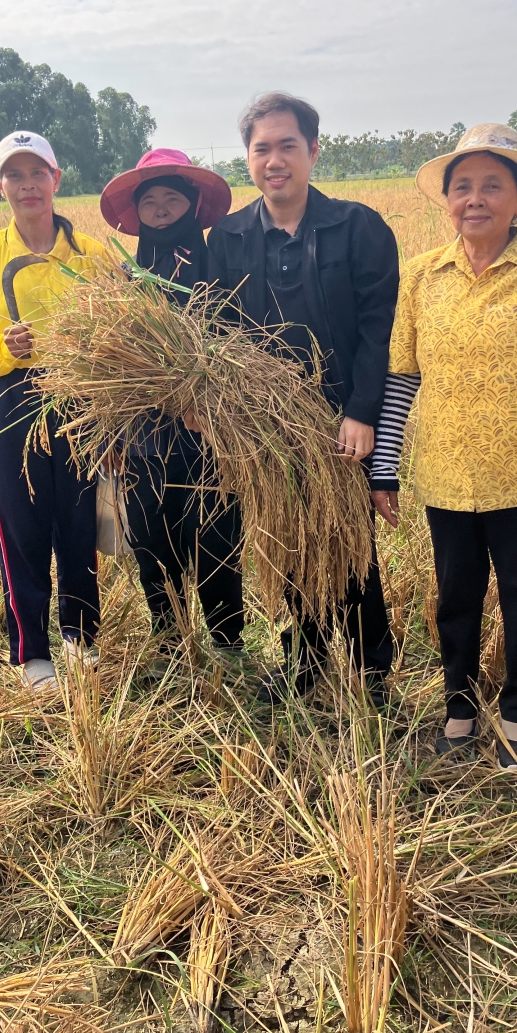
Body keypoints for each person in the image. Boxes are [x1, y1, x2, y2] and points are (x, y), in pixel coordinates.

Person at [370, 123, 517, 768]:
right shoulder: (422, 276)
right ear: (447, 199)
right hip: (446, 474)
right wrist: (385, 467)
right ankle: (459, 708)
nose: (474, 199)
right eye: (462, 187)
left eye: (492, 186)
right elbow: (402, 377)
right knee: (454, 599)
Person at [203, 92, 399, 708]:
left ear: (313, 151)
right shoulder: (228, 238)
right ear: (248, 158)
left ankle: (370, 668)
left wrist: (362, 411)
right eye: (262, 149)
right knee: (287, 538)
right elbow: (217, 333)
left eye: (288, 145)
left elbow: (379, 329)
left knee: (350, 540)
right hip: (266, 425)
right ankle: (304, 661)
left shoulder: (358, 227)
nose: (275, 161)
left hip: (342, 418)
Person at [0, 132, 109, 696]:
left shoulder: (91, 255)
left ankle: (81, 635)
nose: (28, 185)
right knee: (20, 523)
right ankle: (32, 650)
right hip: (12, 395)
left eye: (37, 172)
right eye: (14, 175)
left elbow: (119, 330)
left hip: (80, 398)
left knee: (80, 517)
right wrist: (2, 347)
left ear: (56, 179)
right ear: (0, 187)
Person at [100, 150, 245, 677]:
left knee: (216, 540)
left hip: (208, 434)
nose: (161, 210)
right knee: (150, 540)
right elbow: (107, 363)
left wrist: (206, 399)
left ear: (192, 206)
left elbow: (241, 343)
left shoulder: (219, 269)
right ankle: (168, 643)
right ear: (137, 213)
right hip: (141, 437)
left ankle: (228, 646)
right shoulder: (124, 279)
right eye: (150, 202)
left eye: (172, 199)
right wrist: (110, 433)